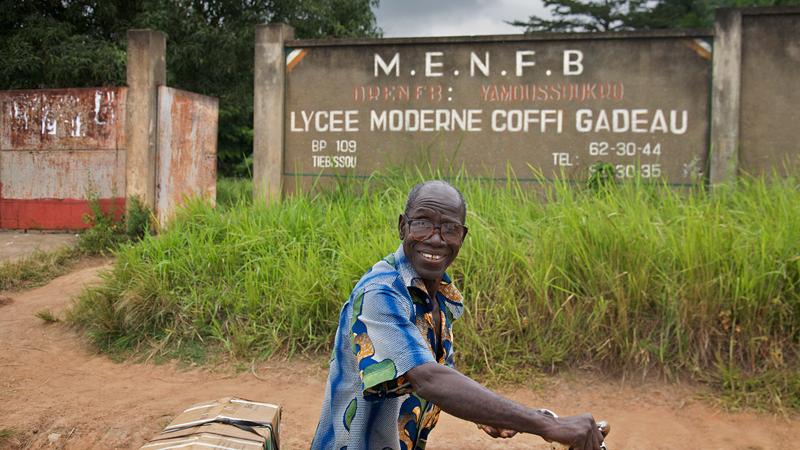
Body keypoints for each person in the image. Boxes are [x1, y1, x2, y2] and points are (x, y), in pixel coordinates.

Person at [311, 180, 604, 450]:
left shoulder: (438, 295)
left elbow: (437, 380)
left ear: (462, 237)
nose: (436, 239)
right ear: (403, 227)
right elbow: (428, 379)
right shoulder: (380, 293)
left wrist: (501, 415)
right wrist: (548, 426)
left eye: (449, 228)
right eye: (423, 223)